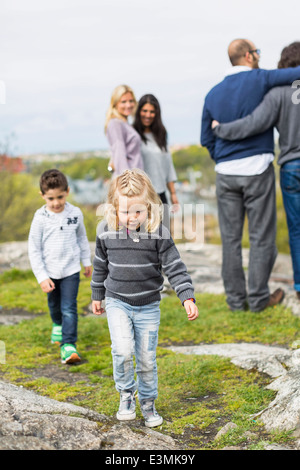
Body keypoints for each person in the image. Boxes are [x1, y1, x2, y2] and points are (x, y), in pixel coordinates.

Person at [91, 169, 198, 428]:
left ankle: (148, 402)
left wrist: (186, 296)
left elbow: (174, 266)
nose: (131, 217)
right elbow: (100, 266)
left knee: (147, 358)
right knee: (123, 350)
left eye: (138, 211)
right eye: (125, 211)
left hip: (148, 306)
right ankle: (126, 395)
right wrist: (97, 295)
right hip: (117, 301)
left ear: (149, 207)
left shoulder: (158, 233)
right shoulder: (105, 232)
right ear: (114, 208)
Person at [201, 38, 300, 313]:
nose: (258, 56)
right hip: (257, 169)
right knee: (261, 238)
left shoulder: (212, 93)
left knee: (230, 241)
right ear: (248, 55)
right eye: (257, 52)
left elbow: (205, 138)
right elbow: (295, 73)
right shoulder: (260, 79)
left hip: (225, 174)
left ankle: (235, 302)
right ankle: (257, 300)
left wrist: (222, 159)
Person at [28, 169, 92, 364]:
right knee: (55, 306)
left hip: (71, 270)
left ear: (67, 191)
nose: (56, 203)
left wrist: (86, 261)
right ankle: (57, 324)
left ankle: (68, 345)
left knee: (69, 308)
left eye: (60, 197)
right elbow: (34, 249)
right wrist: (41, 277)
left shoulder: (75, 213)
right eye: (51, 198)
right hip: (49, 272)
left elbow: (81, 238)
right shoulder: (40, 218)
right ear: (42, 196)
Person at [133, 94, 178, 207]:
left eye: (152, 112)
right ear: (138, 112)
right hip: (140, 198)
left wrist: (173, 193)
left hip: (161, 195)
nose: (148, 115)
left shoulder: (161, 133)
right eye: (145, 110)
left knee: (166, 225)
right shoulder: (132, 134)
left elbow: (168, 164)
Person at [104, 84, 144, 176]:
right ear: (115, 103)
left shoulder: (125, 124)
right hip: (129, 183)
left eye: (131, 101)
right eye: (123, 102)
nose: (128, 105)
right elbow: (119, 154)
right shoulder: (116, 123)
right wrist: (127, 184)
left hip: (135, 180)